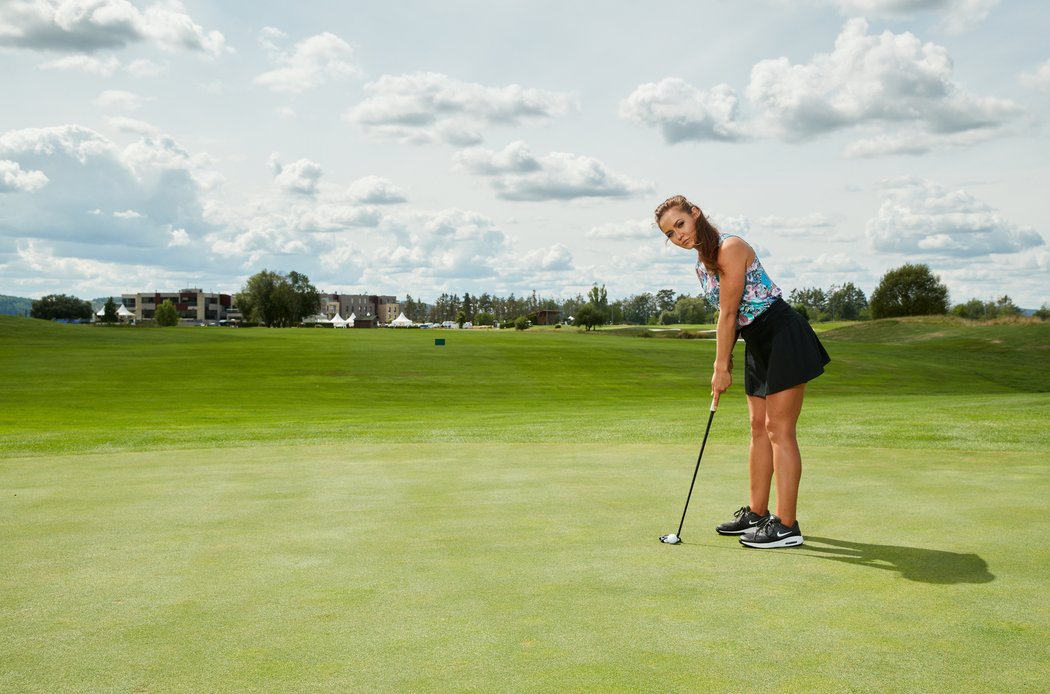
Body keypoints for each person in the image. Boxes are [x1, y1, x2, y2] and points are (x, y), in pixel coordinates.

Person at [654, 194, 830, 549]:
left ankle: (786, 525)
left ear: (696, 214)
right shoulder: (702, 266)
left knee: (779, 429)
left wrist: (720, 367)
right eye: (671, 234)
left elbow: (729, 313)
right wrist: (729, 359)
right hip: (757, 341)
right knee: (757, 428)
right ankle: (757, 512)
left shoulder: (730, 248)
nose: (679, 236)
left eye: (681, 224)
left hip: (782, 335)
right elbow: (733, 321)